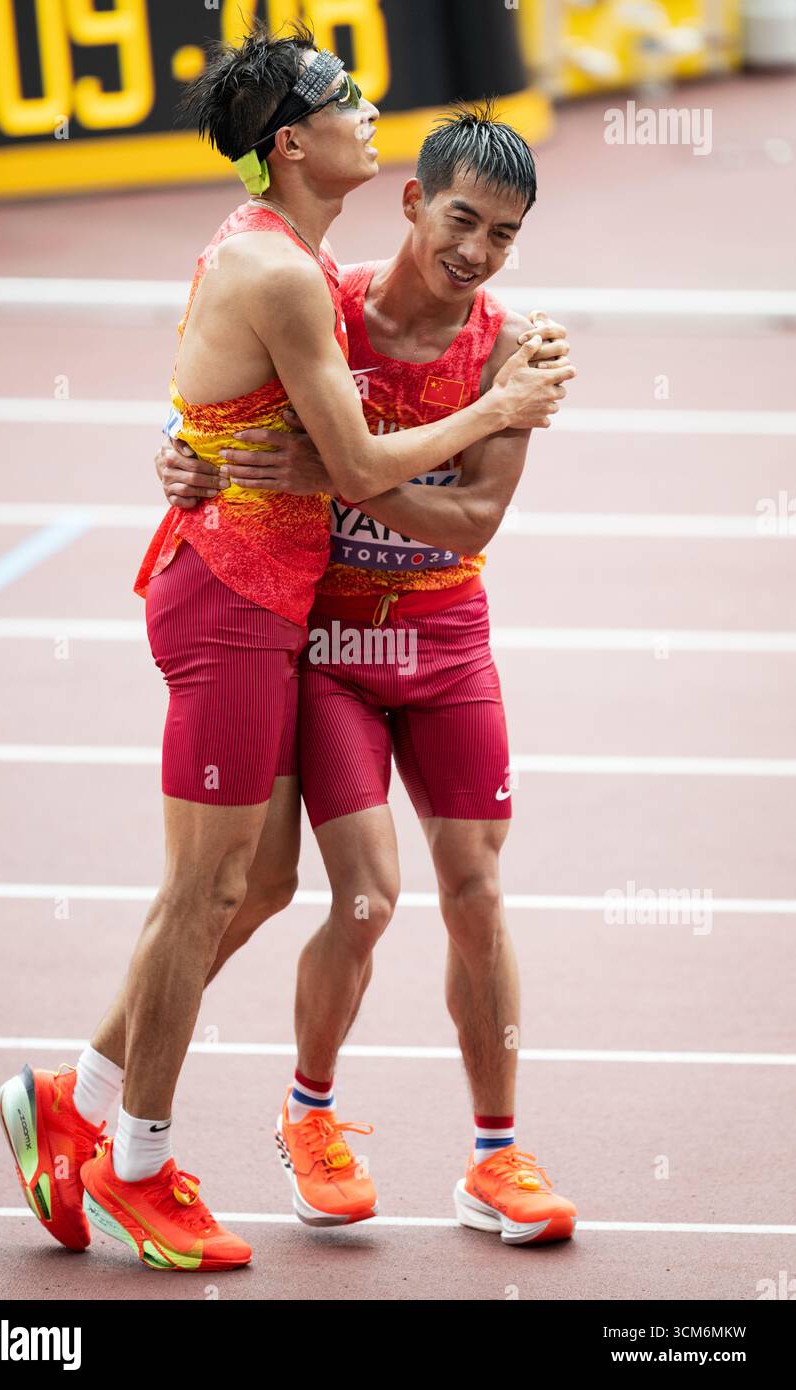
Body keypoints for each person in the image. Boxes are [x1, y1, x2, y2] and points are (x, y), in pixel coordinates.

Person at [0, 26, 572, 1272]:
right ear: (290, 144)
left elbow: (233, 401)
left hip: (286, 599)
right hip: (247, 603)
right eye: (342, 98)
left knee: (249, 889)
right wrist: (492, 408)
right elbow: (348, 458)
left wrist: (191, 446)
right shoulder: (302, 279)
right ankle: (138, 1165)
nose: (368, 107)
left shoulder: (294, 260)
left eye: (504, 234)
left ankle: (80, 1107)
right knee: (213, 892)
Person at [156, 105, 577, 1244]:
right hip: (331, 654)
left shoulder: (508, 348)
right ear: (408, 201)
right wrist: (183, 450)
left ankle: (493, 1156)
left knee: (478, 896)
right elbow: (213, 402)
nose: (475, 250)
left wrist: (338, 475)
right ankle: (309, 1114)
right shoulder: (318, 300)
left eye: (502, 233)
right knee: (365, 897)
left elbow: (472, 522)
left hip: (443, 646)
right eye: (459, 218)